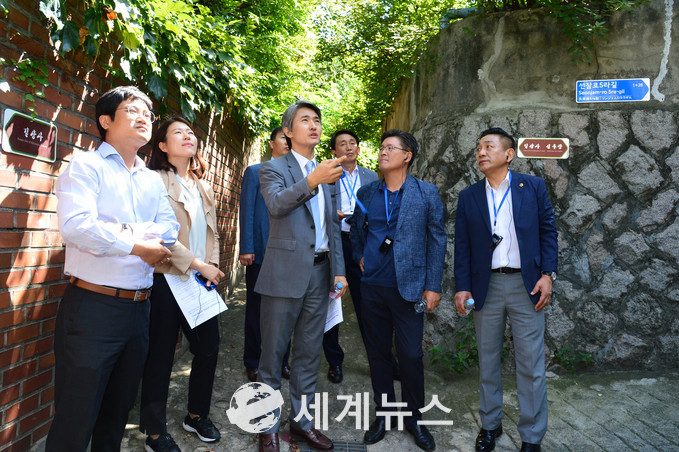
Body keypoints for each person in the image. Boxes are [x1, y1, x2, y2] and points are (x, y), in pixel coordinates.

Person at [48, 86, 180, 451]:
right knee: (75, 420)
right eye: (132, 110)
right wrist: (137, 243)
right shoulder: (85, 166)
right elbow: (77, 228)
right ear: (105, 121)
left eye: (148, 114)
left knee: (116, 417)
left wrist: (114, 231)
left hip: (139, 310)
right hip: (93, 310)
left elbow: (169, 230)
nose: (144, 118)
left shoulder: (151, 179)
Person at [454, 128, 558, 452]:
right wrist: (462, 287)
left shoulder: (533, 187)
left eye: (489, 146)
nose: (481, 152)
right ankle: (490, 425)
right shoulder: (469, 196)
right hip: (486, 286)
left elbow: (548, 231)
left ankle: (532, 437)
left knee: (531, 365)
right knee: (488, 361)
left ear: (508, 154)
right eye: (478, 148)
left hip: (526, 285)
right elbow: (462, 246)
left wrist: (548, 274)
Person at [255, 100, 348, 452]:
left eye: (317, 120)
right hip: (283, 274)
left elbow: (332, 227)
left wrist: (340, 271)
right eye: (305, 120)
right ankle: (267, 427)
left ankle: (302, 424)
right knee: (272, 357)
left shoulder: (329, 171)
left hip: (321, 274)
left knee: (309, 355)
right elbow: (277, 205)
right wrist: (312, 180)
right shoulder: (273, 168)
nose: (314, 125)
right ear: (288, 131)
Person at [350, 129, 446, 452]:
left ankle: (414, 418)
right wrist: (359, 255)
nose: (383, 152)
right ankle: (385, 414)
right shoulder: (367, 193)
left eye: (390, 148)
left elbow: (437, 239)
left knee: (410, 355)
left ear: (407, 156)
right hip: (372, 287)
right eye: (381, 147)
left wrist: (433, 285)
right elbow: (356, 230)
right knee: (378, 354)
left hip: (410, 287)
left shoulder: (425, 193)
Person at [139, 117, 225, 451]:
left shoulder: (203, 184)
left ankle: (196, 415)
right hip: (166, 279)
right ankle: (154, 433)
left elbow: (213, 233)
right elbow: (159, 234)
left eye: (190, 132)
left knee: (209, 347)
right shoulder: (154, 180)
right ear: (162, 145)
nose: (188, 136)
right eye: (178, 132)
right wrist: (197, 264)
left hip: (199, 280)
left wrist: (211, 266)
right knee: (161, 355)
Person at [321, 129, 378, 384]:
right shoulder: (326, 175)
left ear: (358, 148)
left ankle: (379, 361)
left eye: (352, 142)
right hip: (335, 243)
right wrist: (332, 214)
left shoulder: (371, 176)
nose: (348, 147)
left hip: (362, 244)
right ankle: (334, 361)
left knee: (368, 306)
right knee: (332, 301)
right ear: (334, 151)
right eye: (342, 144)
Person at [239, 127, 291, 383]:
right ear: (271, 143)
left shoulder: (298, 175)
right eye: (283, 137)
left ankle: (282, 361)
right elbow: (247, 209)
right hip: (261, 251)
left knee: (286, 310)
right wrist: (246, 247)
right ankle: (253, 361)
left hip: (289, 253)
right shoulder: (255, 171)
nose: (288, 141)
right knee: (257, 309)